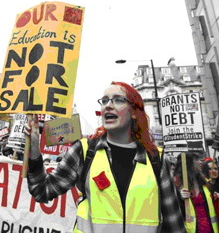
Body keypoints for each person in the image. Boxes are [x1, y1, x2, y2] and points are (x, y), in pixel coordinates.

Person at [25, 81, 186, 232]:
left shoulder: (156, 158)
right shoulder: (84, 151)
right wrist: (34, 149)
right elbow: (42, 191)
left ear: (135, 113)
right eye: (104, 101)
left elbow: (174, 224)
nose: (108, 106)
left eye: (118, 100)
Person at [174, 153, 219, 233]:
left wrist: (215, 197)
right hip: (192, 230)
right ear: (189, 164)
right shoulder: (177, 184)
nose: (200, 162)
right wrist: (179, 198)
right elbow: (173, 211)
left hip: (210, 228)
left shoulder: (203, 181)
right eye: (196, 160)